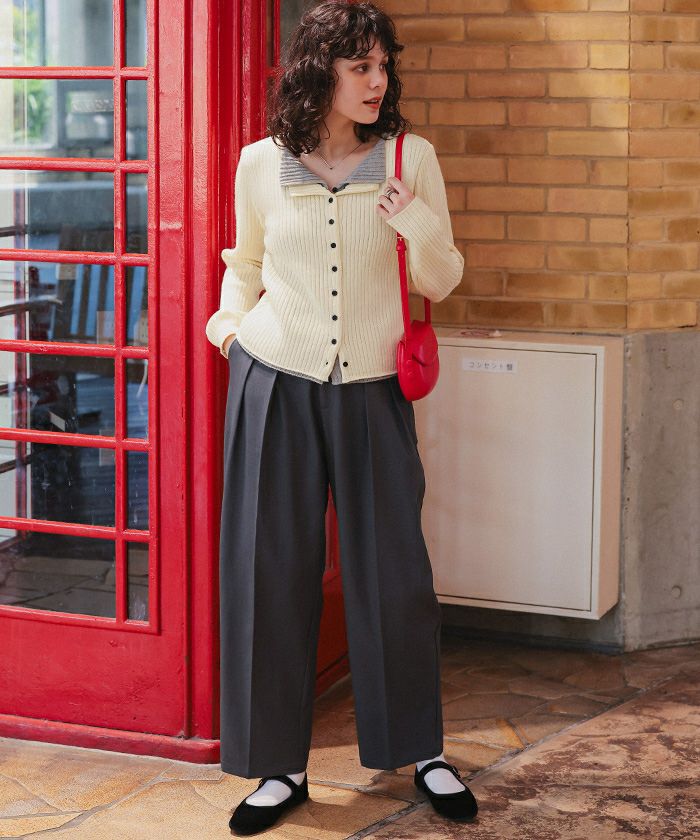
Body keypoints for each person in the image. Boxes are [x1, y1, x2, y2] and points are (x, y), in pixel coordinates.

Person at [205, 2, 478, 834]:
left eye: (383, 65)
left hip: (373, 387)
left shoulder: (409, 157)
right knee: (267, 572)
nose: (377, 80)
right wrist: (229, 334)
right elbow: (245, 263)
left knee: (395, 575)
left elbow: (442, 278)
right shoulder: (261, 162)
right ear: (318, 70)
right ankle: (277, 769)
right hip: (273, 378)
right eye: (360, 66)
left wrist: (412, 218)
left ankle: (421, 752)